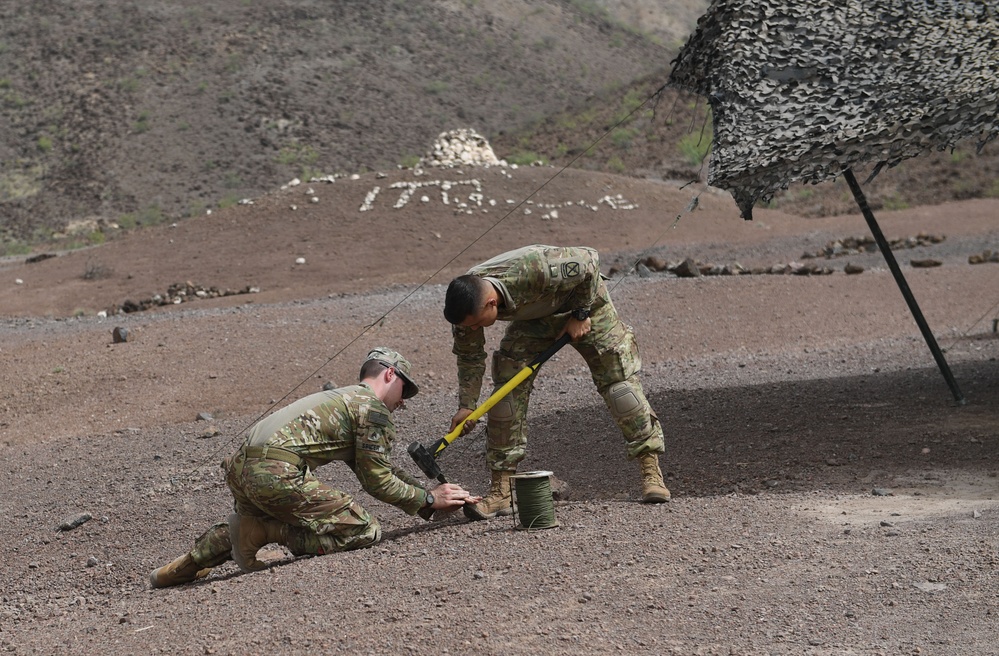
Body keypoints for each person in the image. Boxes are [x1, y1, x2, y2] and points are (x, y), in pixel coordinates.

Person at [149, 347, 480, 588]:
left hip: (241, 469)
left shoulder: (344, 399)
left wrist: (429, 498)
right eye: (404, 389)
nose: (403, 401)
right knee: (364, 529)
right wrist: (428, 500)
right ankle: (268, 531)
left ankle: (187, 565)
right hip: (276, 472)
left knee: (247, 526)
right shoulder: (372, 409)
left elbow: (379, 468)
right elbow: (377, 481)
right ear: (389, 374)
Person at [443, 244, 669, 520]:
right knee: (505, 396)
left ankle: (650, 471)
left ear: (491, 304)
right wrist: (467, 405)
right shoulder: (466, 308)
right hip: (535, 318)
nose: (474, 329)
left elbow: (589, 261)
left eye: (478, 324)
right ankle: (501, 491)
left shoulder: (533, 269)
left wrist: (581, 314)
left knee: (620, 388)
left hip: (587, 306)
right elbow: (469, 357)